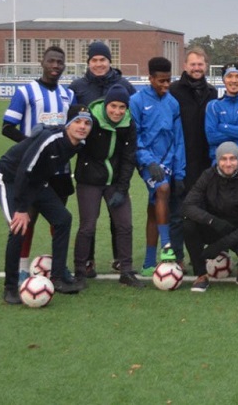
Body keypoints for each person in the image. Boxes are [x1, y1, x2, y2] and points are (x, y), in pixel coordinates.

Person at [0, 104, 91, 304]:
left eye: (87, 123)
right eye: (78, 122)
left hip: (37, 182)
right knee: (18, 227)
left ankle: (58, 278)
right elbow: (23, 170)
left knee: (63, 218)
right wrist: (21, 209)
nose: (82, 126)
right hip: (10, 177)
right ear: (68, 124)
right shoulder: (50, 139)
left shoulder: (78, 144)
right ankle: (10, 287)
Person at [1, 45, 74, 283]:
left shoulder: (68, 95)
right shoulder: (26, 92)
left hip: (59, 169)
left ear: (64, 66)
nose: (55, 66)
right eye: (51, 61)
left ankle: (58, 266)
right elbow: (7, 127)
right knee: (27, 217)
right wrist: (33, 147)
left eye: (60, 62)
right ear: (42, 62)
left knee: (59, 218)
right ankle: (22, 268)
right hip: (32, 168)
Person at [68, 41, 136, 277]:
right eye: (94, 60)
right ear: (89, 62)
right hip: (90, 169)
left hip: (115, 170)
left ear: (110, 62)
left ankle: (123, 265)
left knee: (122, 222)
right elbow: (70, 127)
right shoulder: (78, 87)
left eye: (103, 60)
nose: (98, 64)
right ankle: (85, 265)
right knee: (88, 224)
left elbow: (130, 137)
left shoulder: (124, 86)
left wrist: (123, 183)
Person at [73, 85, 143, 289]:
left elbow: (128, 159)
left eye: (122, 107)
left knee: (124, 224)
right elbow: (73, 139)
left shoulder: (129, 123)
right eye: (113, 106)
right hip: (89, 181)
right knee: (87, 227)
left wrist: (122, 189)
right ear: (106, 104)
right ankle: (79, 271)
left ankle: (126, 271)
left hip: (114, 182)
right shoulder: (90, 120)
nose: (117, 111)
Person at [130, 57, 185, 275]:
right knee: (162, 189)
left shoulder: (173, 103)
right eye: (161, 81)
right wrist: (148, 161)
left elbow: (178, 139)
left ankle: (148, 263)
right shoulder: (136, 101)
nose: (165, 85)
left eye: (168, 81)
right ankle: (167, 246)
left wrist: (179, 172)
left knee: (155, 209)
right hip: (148, 162)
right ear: (150, 78)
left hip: (169, 161)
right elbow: (134, 136)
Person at [182, 142, 238, 292]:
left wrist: (219, 246)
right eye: (223, 159)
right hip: (213, 226)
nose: (228, 163)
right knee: (188, 225)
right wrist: (212, 220)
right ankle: (201, 275)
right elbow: (187, 206)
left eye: (232, 158)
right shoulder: (207, 176)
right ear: (218, 160)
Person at [168, 46, 218, 268]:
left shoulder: (212, 93)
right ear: (185, 66)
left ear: (206, 66)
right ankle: (176, 256)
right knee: (179, 211)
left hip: (205, 163)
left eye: (200, 64)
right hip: (181, 161)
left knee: (205, 211)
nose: (197, 68)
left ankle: (205, 256)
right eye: (193, 64)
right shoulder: (173, 91)